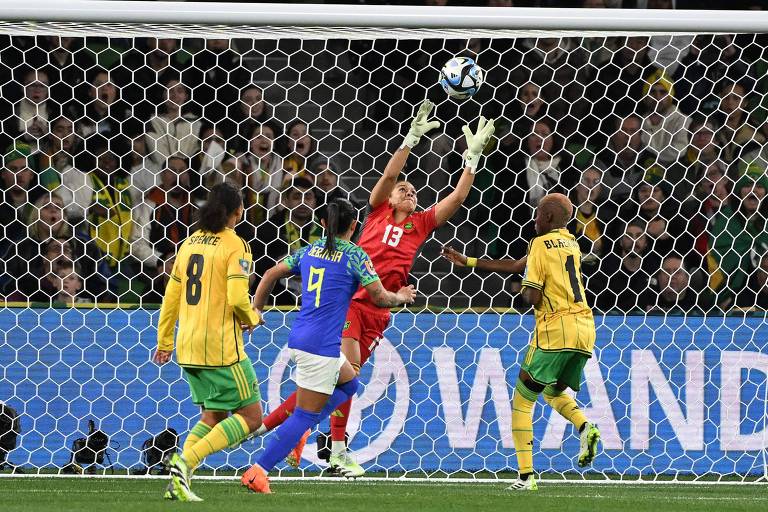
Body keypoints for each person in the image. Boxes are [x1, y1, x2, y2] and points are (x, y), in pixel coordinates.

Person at [249, 101, 496, 477]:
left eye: (412, 190)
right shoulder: (377, 210)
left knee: (341, 382)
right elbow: (389, 173)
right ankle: (335, 450)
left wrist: (472, 159)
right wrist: (410, 140)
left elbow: (458, 198)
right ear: (389, 197)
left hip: (380, 313)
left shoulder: (422, 223)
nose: (408, 190)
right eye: (402, 188)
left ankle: (286, 429)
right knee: (344, 374)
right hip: (352, 301)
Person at [240, 198, 416, 494]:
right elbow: (379, 298)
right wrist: (399, 296)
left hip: (303, 338)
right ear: (354, 226)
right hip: (320, 347)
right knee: (305, 415)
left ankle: (299, 430)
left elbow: (270, 273)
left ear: (322, 224)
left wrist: (255, 309)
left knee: (350, 385)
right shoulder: (355, 256)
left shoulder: (309, 251)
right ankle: (260, 470)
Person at [447, 193, 600, 491]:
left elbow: (532, 295)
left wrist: (523, 291)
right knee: (553, 392)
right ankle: (585, 426)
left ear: (550, 218)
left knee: (522, 401)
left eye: (539, 215)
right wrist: (470, 261)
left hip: (555, 330)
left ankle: (526, 477)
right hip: (585, 328)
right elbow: (520, 265)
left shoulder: (540, 243)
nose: (535, 220)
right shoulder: (571, 243)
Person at [153, 183, 263, 502]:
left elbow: (171, 295)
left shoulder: (188, 243)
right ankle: (184, 461)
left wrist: (165, 340)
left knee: (213, 416)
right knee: (252, 417)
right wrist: (252, 317)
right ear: (238, 212)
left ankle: (178, 483)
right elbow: (236, 296)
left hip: (187, 345)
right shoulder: (236, 245)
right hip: (221, 348)